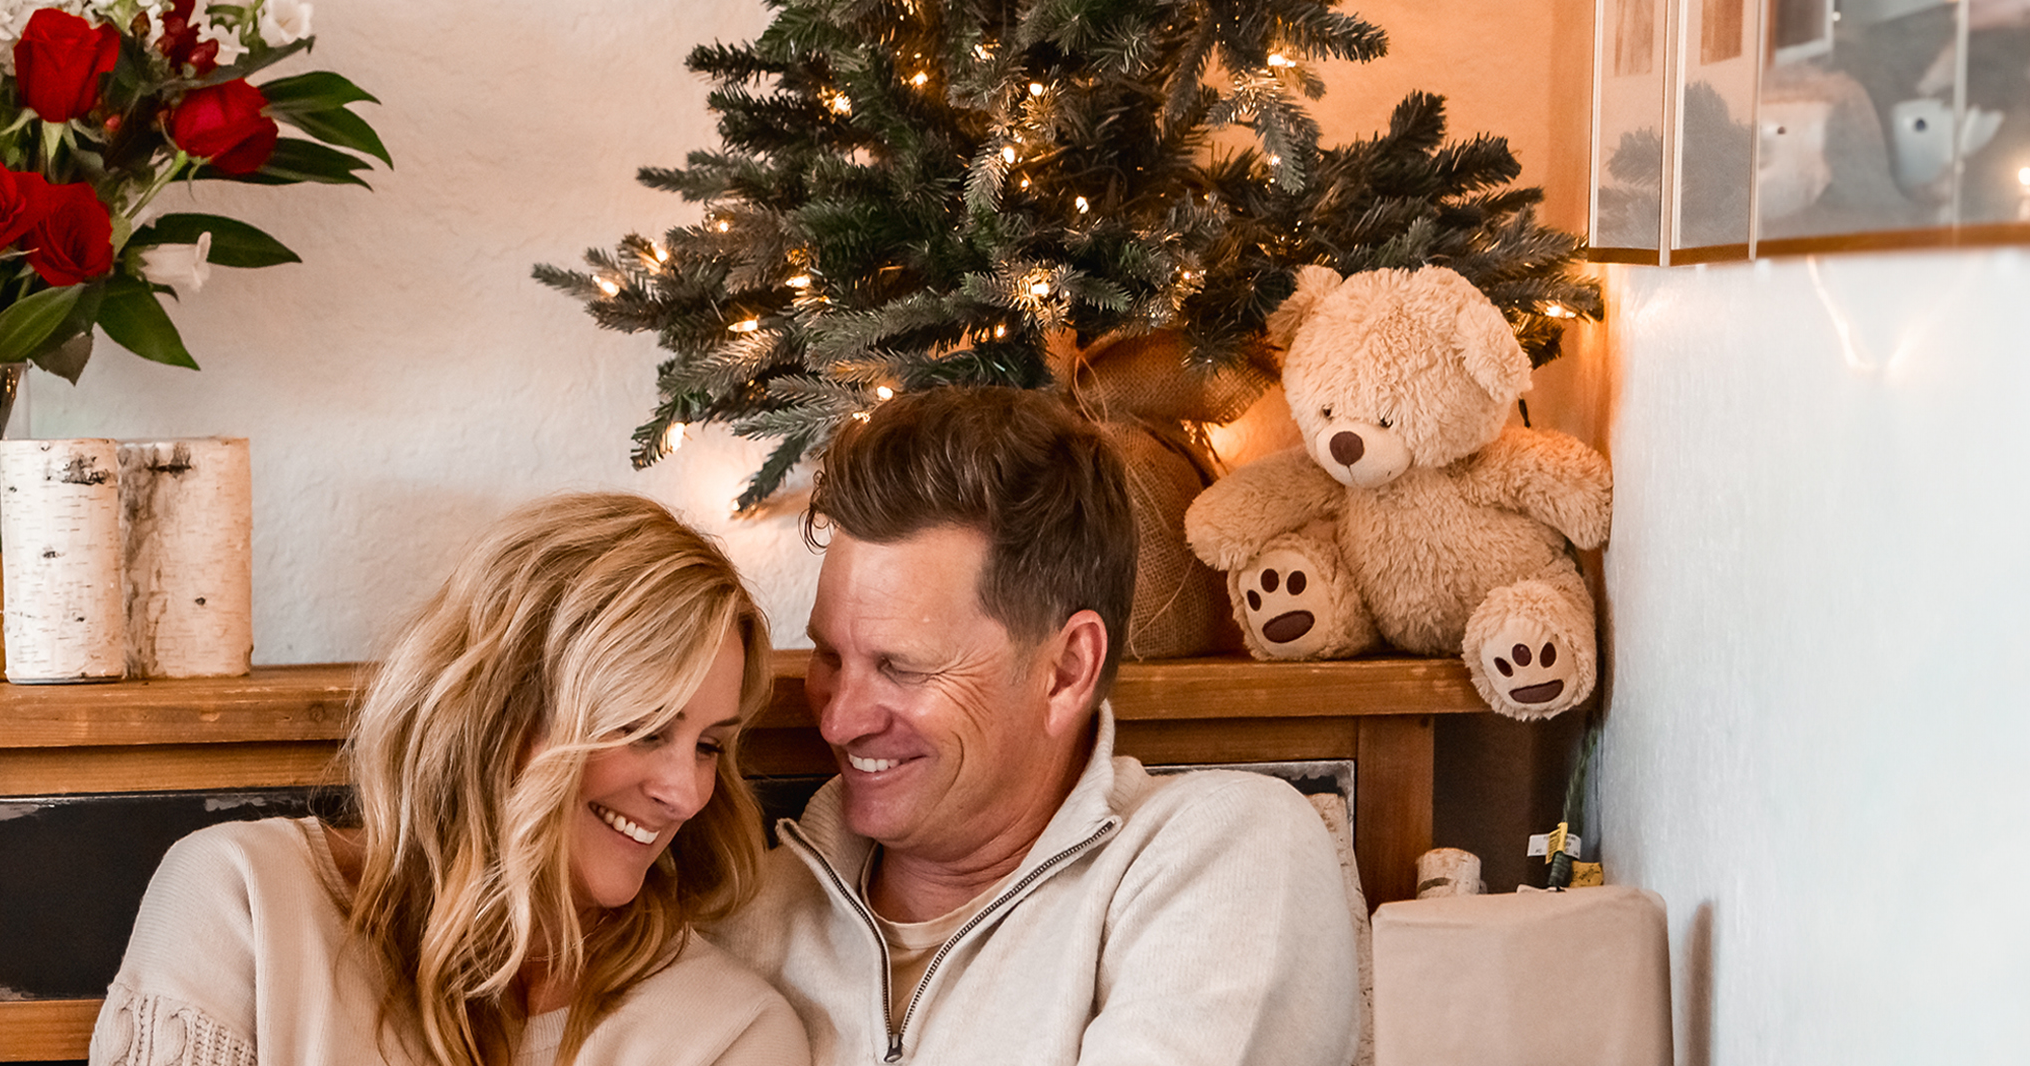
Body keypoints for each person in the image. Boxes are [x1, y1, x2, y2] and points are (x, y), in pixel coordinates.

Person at [711, 386, 1360, 1064]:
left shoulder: (1226, 856)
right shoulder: (742, 916)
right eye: (829, 656)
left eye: (901, 667)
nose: (839, 718)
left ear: (1066, 670)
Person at [89, 493, 811, 1066]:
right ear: (502, 708)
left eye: (710, 746)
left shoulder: (729, 1032)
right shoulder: (243, 901)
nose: (684, 792)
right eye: (645, 728)